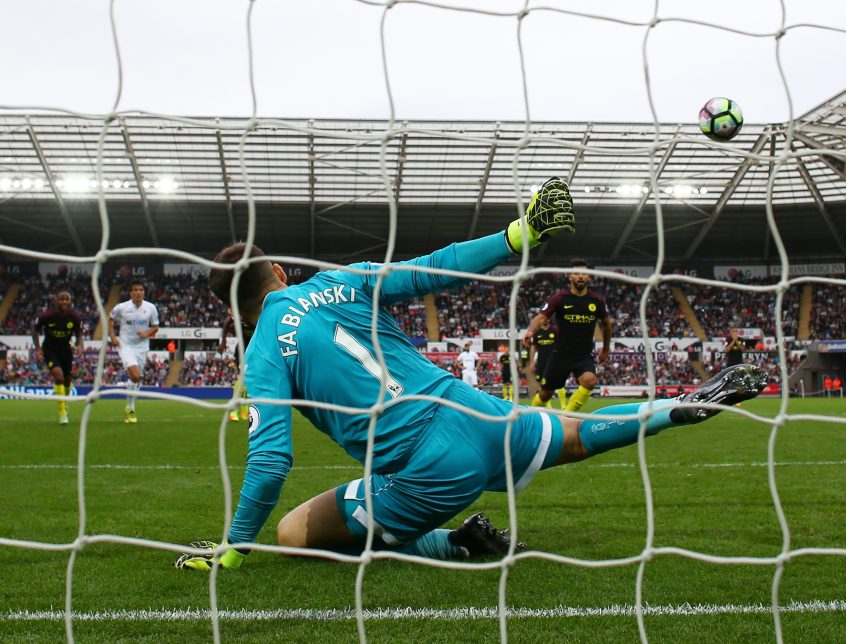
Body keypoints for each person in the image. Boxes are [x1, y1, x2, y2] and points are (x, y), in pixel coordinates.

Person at [173, 177, 767, 572]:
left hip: (424, 468)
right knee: (579, 434)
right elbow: (432, 270)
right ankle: (676, 408)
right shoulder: (340, 279)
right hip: (474, 410)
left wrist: (232, 549)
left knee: (297, 533)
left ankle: (458, 542)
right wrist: (520, 232)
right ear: (277, 270)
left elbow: (272, 460)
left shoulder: (262, 356)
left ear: (236, 311)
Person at [523, 259, 612, 413]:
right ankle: (530, 416)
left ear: (589, 277)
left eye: (584, 274)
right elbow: (542, 317)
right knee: (545, 394)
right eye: (577, 273)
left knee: (590, 380)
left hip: (583, 355)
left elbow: (607, 324)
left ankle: (567, 415)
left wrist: (605, 349)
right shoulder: (560, 298)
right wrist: (531, 331)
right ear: (570, 276)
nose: (581, 277)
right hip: (560, 354)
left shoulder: (597, 301)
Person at [109, 281, 160, 424]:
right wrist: (113, 337)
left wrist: (147, 332)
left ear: (144, 292)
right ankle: (130, 408)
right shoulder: (122, 307)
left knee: (137, 379)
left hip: (142, 347)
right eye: (135, 290)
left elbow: (156, 327)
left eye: (141, 289)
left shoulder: (151, 308)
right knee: (136, 375)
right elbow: (110, 318)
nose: (138, 292)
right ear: (131, 293)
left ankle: (129, 406)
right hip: (126, 345)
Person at [32, 291, 84, 425]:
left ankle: (64, 402)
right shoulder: (47, 315)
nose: (64, 302)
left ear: (70, 301)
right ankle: (62, 413)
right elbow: (35, 331)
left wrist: (79, 345)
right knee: (59, 377)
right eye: (62, 299)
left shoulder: (74, 317)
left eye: (67, 299)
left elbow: (79, 333)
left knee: (67, 380)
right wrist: (38, 349)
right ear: (56, 301)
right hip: (50, 350)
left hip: (66, 350)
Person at [219, 310, 250, 422]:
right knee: (243, 380)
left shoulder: (257, 318)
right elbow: (228, 321)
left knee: (248, 382)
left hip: (253, 352)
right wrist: (223, 342)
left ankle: (243, 410)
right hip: (242, 352)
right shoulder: (240, 318)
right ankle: (234, 410)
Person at [528, 318, 566, 409]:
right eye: (544, 318)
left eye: (547, 318)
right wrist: (532, 362)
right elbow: (533, 347)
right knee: (542, 385)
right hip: (541, 362)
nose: (545, 320)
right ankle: (548, 407)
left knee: (559, 382)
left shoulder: (555, 330)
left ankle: (564, 406)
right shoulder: (537, 332)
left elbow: (561, 344)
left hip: (554, 361)